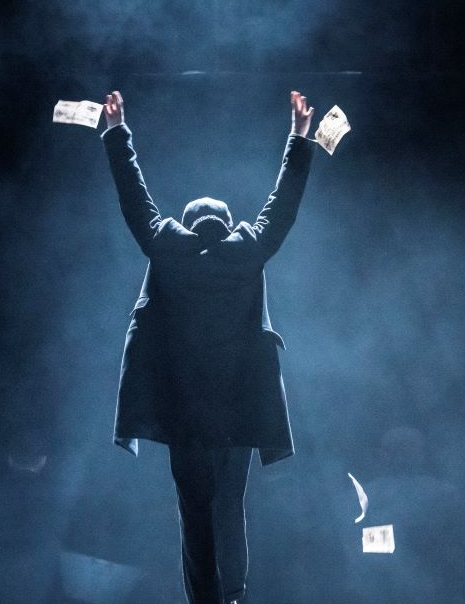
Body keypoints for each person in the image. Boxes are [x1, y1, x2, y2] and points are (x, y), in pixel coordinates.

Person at [100, 89, 316, 604]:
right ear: (223, 221)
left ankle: (205, 600)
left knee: (193, 510)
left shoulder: (164, 247)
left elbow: (134, 196)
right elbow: (283, 203)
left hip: (183, 414)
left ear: (190, 221)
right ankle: (234, 594)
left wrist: (116, 133)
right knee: (230, 504)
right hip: (238, 409)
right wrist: (298, 138)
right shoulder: (250, 250)